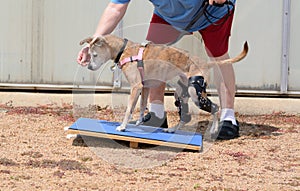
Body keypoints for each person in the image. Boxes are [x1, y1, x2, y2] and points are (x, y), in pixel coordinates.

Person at [77, 0, 239, 140]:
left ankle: (228, 117)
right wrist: (92, 44)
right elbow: (115, 8)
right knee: (152, 54)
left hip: (210, 12)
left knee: (219, 57)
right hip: (169, 15)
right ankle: (156, 114)